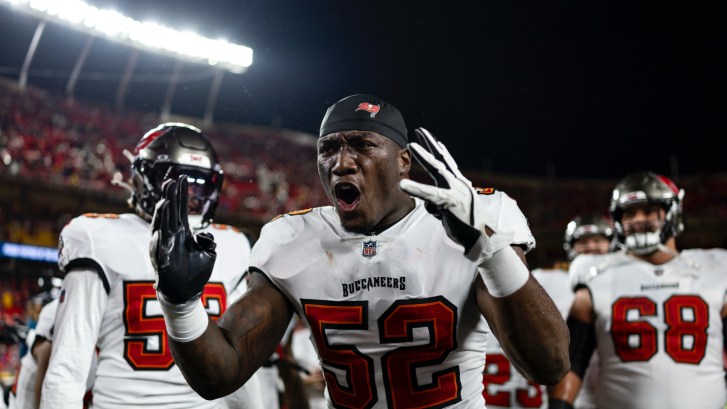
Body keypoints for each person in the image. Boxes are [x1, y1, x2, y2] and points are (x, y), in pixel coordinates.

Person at [149, 94, 570, 408]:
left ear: (403, 161)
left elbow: (549, 365)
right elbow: (221, 375)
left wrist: (490, 248)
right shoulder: (292, 238)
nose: (341, 163)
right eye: (328, 149)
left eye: (362, 145)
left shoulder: (474, 218)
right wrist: (180, 304)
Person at [40, 123, 264, 409]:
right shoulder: (98, 238)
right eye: (179, 182)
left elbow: (236, 366)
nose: (190, 196)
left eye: (200, 184)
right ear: (142, 179)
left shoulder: (231, 245)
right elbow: (69, 365)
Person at [548, 171, 727, 409]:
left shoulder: (714, 267)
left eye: (649, 210)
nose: (638, 219)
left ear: (672, 212)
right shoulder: (595, 273)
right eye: (630, 213)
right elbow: (573, 360)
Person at [483, 214, 614, 409]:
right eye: (583, 242)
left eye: (597, 240)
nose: (590, 247)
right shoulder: (562, 285)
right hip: (572, 393)